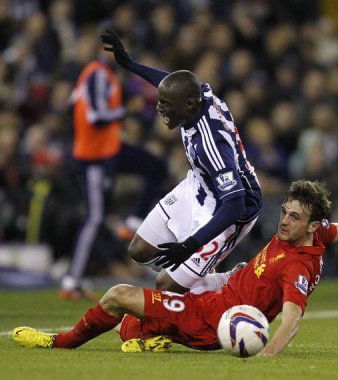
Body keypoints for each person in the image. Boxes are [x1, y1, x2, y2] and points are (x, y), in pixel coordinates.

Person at [12, 180, 338, 356]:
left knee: (118, 296)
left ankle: (59, 343)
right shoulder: (319, 232)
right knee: (129, 328)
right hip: (221, 290)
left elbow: (292, 319)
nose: (284, 221)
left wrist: (266, 358)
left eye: (295, 217)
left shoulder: (297, 268)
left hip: (210, 318)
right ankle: (153, 338)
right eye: (284, 212)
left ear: (310, 225)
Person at [100, 29, 263, 294]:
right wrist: (131, 64)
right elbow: (170, 83)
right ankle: (194, 276)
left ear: (188, 105)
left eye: (165, 104)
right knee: (139, 251)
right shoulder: (198, 96)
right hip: (199, 185)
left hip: (231, 206)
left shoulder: (211, 145)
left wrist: (190, 244)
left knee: (167, 285)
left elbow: (234, 203)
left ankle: (232, 280)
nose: (159, 108)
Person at [60, 36, 169, 300]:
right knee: (95, 217)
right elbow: (96, 116)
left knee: (156, 168)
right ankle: (71, 280)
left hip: (108, 150)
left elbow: (74, 106)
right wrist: (125, 111)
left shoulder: (102, 75)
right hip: (96, 155)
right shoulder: (97, 74)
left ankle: (131, 222)